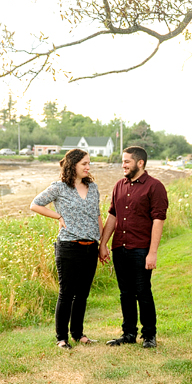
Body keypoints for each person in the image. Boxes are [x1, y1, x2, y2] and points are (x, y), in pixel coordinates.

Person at [30, 148, 104, 350]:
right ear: (73, 165)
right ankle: (61, 338)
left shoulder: (93, 188)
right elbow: (35, 205)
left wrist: (103, 243)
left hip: (91, 247)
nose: (88, 167)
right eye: (84, 164)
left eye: (89, 163)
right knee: (66, 293)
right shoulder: (59, 188)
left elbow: (97, 216)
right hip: (68, 248)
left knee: (82, 294)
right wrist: (58, 217)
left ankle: (78, 334)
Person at [99, 146, 168, 349]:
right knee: (125, 293)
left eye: (127, 161)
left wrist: (152, 253)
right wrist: (103, 244)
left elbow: (158, 220)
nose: (123, 165)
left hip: (141, 249)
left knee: (143, 292)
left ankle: (149, 336)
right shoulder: (119, 185)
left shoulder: (155, 187)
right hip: (119, 247)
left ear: (140, 163)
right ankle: (128, 333)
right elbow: (112, 216)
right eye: (123, 161)